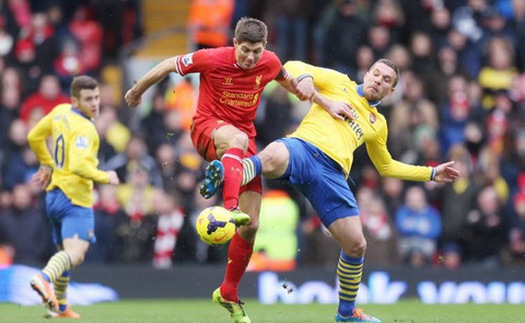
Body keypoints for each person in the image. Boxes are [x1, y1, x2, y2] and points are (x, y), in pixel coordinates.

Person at [124, 17, 352, 323]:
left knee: (252, 224)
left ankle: (228, 291)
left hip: (242, 150)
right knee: (239, 139)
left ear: (264, 48)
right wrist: (137, 92)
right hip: (209, 130)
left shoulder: (269, 63)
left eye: (256, 51)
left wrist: (327, 103)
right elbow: (167, 64)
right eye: (245, 50)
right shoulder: (212, 58)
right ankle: (228, 206)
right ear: (234, 44)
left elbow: (296, 89)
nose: (250, 57)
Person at [202, 59, 460, 322]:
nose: (378, 81)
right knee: (272, 156)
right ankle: (227, 173)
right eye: (376, 74)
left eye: (386, 80)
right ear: (366, 73)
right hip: (303, 148)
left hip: (332, 175)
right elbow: (294, 66)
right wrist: (307, 84)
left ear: (391, 91)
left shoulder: (378, 123)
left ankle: (346, 314)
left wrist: (430, 173)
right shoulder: (339, 82)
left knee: (356, 244)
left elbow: (386, 166)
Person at [27, 75, 120, 318]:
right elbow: (79, 165)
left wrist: (47, 164)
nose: (95, 103)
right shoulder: (86, 129)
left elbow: (34, 137)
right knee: (76, 254)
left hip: (54, 196)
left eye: (97, 97)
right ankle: (43, 278)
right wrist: (105, 176)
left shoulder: (60, 111)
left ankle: (60, 304)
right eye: (88, 99)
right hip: (75, 199)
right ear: (75, 102)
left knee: (65, 252)